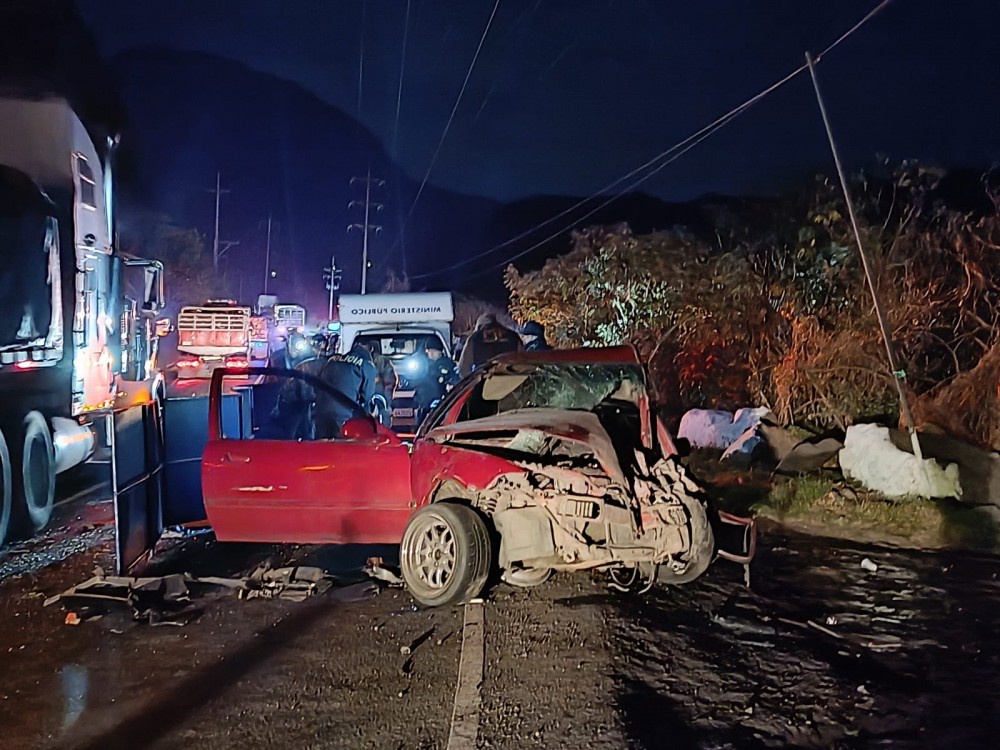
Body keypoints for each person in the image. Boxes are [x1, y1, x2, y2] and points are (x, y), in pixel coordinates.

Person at [316, 339, 377, 432]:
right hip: (344, 415)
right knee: (341, 445)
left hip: (321, 411)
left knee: (322, 444)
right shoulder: (366, 365)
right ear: (371, 349)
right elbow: (367, 397)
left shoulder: (333, 360)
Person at [457, 313, 523, 377]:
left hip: (487, 383)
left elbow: (463, 369)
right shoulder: (512, 336)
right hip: (512, 381)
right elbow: (524, 359)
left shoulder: (474, 339)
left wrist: (476, 382)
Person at [413, 338, 459, 424]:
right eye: (429, 351)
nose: (431, 354)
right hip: (424, 402)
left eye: (434, 351)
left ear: (440, 351)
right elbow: (415, 381)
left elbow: (455, 379)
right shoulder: (423, 365)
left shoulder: (448, 364)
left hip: (442, 402)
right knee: (422, 424)